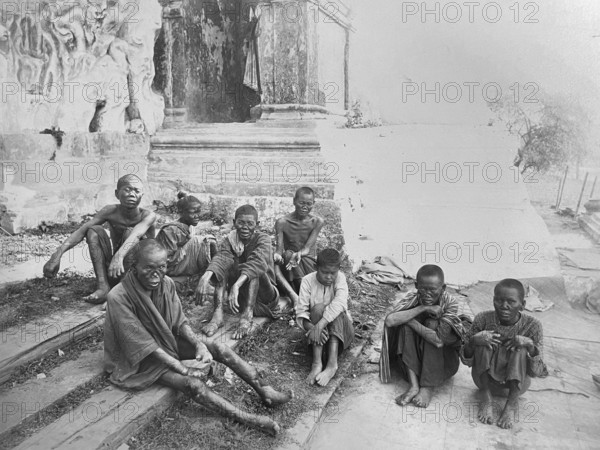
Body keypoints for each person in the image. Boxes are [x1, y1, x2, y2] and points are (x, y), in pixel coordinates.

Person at [103, 240, 292, 435]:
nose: (156, 274)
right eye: (149, 268)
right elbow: (141, 344)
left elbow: (179, 322)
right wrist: (182, 368)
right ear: (134, 267)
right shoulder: (118, 296)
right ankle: (248, 419)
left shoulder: (166, 283)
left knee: (220, 348)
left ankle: (265, 391)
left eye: (161, 267)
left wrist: (199, 345)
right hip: (138, 359)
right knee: (192, 384)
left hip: (164, 342)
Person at [43, 174, 156, 304]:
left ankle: (123, 291)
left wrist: (118, 257)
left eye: (136, 191)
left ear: (142, 195)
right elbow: (82, 230)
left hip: (140, 271)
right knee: (93, 231)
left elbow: (135, 235)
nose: (132, 194)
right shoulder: (110, 211)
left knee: (130, 233)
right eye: (127, 189)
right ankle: (103, 286)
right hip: (116, 268)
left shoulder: (148, 216)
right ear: (117, 194)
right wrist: (57, 255)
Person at [380, 265, 473, 408]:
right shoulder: (413, 298)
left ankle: (428, 387)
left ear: (443, 288)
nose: (427, 294)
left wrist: (410, 320)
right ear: (416, 286)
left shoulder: (450, 303)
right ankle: (414, 385)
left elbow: (438, 341)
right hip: (415, 364)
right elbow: (390, 321)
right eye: (423, 289)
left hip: (443, 365)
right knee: (404, 327)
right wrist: (423, 308)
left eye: (433, 290)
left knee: (430, 324)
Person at [461, 278, 547, 429]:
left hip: (515, 387)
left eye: (511, 302)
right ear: (493, 300)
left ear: (522, 305)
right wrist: (474, 341)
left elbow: (537, 371)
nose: (504, 306)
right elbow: (466, 359)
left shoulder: (533, 325)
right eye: (499, 300)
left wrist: (530, 345)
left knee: (521, 347)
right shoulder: (483, 318)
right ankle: (486, 398)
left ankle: (511, 404)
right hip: (483, 382)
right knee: (483, 340)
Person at [196, 205, 280, 339]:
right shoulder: (230, 240)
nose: (245, 227)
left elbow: (256, 263)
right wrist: (205, 277)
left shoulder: (263, 239)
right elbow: (221, 259)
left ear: (257, 225)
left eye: (250, 223)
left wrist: (236, 285)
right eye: (241, 223)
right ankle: (217, 315)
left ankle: (247, 316)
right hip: (242, 298)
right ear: (234, 222)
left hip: (266, 298)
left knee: (253, 269)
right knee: (224, 264)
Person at [296, 248, 354, 387]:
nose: (329, 277)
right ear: (316, 268)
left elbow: (340, 303)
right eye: (324, 272)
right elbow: (301, 312)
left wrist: (320, 325)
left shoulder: (340, 278)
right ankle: (317, 363)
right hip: (319, 338)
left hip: (341, 335)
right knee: (317, 309)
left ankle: (332, 365)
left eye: (333, 273)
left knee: (337, 310)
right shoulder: (307, 281)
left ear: (338, 270)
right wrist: (314, 329)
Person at [155, 192, 217, 293]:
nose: (197, 216)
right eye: (193, 212)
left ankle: (211, 277)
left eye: (198, 212)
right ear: (181, 212)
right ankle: (207, 278)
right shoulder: (171, 230)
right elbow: (166, 259)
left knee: (205, 241)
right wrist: (188, 247)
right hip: (170, 268)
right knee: (201, 241)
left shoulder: (189, 226)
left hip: (181, 264)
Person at [274, 187, 324, 306]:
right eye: (301, 203)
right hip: (289, 264)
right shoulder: (282, 222)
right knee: (287, 255)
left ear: (313, 204)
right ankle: (302, 296)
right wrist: (276, 256)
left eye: (309, 204)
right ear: (294, 201)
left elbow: (307, 248)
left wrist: (299, 254)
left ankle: (303, 296)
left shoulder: (317, 222)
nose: (305, 207)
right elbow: (279, 250)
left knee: (292, 256)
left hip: (309, 262)